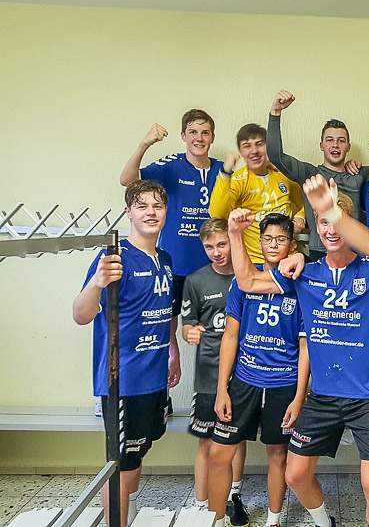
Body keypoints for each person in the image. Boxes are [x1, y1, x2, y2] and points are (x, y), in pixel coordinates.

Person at [228, 183, 369, 527]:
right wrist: (236, 235)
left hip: (367, 399)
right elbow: (248, 282)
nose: (331, 229)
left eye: (337, 221)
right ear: (317, 227)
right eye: (324, 221)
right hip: (322, 398)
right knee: (295, 474)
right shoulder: (305, 272)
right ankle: (326, 522)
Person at [73, 180, 174, 527]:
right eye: (142, 206)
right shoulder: (114, 259)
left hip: (154, 379)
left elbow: (164, 313)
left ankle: (125, 520)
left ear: (166, 211)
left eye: (157, 206)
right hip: (123, 382)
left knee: (136, 456)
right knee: (120, 467)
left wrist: (173, 352)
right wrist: (96, 282)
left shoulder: (164, 258)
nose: (151, 212)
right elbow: (81, 315)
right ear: (129, 212)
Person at [208, 213, 310, 527]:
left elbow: (305, 347)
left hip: (283, 384)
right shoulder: (243, 281)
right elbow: (230, 336)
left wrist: (299, 397)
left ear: (292, 245)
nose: (274, 245)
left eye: (281, 239)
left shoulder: (300, 284)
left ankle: (273, 521)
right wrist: (222, 389)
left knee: (278, 455)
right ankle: (218, 517)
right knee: (219, 453)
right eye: (268, 239)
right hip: (245, 380)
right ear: (260, 242)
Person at [119, 109, 223, 397]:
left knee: (215, 332)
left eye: (205, 132)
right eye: (193, 132)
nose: (199, 138)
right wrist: (145, 143)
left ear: (213, 137)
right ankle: (164, 383)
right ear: (183, 136)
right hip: (175, 264)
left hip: (213, 267)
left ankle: (212, 397)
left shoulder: (223, 170)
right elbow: (127, 180)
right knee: (164, 325)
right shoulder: (171, 166)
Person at [180, 218, 248, 521]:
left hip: (243, 374)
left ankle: (234, 495)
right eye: (209, 246)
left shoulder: (249, 277)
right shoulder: (195, 281)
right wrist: (189, 333)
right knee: (206, 442)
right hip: (209, 375)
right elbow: (187, 324)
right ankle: (200, 504)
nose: (217, 252)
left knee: (235, 438)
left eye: (222, 244)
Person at [266, 89, 369, 260]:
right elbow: (276, 156)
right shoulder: (310, 174)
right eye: (329, 140)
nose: (335, 145)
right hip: (319, 252)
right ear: (321, 145)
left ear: (348, 147)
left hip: (355, 254)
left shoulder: (359, 173)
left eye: (341, 141)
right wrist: (275, 112)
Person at [208, 123, 306, 263]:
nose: (254, 151)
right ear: (240, 152)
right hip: (255, 261)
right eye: (247, 146)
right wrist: (225, 172)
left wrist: (300, 218)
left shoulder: (283, 175)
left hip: (288, 259)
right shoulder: (238, 180)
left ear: (268, 147)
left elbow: (305, 201)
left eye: (259, 144)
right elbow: (217, 214)